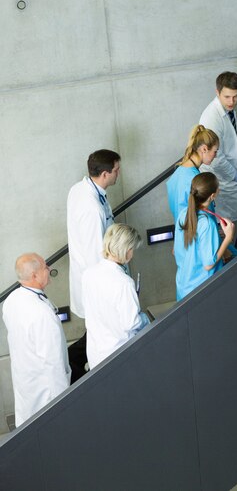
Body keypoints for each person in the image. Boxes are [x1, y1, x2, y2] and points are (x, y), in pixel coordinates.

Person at [67, 149, 121, 379]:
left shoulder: (80, 189)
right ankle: (74, 366)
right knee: (99, 334)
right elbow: (93, 254)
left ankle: (76, 366)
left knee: (97, 333)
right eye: (117, 170)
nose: (119, 174)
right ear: (106, 173)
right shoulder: (91, 209)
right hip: (94, 282)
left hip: (89, 276)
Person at [2, 253, 71, 427]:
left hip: (26, 382)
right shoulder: (41, 313)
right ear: (34, 276)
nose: (49, 269)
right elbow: (52, 361)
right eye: (45, 267)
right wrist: (65, 401)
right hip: (46, 390)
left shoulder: (11, 301)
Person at [199, 71, 237, 252]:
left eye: (235, 97)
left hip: (227, 175)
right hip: (219, 178)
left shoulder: (228, 111)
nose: (231, 101)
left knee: (230, 223)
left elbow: (227, 150)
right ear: (217, 92)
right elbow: (216, 160)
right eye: (227, 96)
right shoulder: (212, 118)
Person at [82, 223, 150, 370]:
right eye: (132, 249)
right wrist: (145, 318)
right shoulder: (124, 283)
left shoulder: (89, 273)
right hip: (119, 353)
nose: (132, 254)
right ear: (126, 249)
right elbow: (131, 324)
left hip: (96, 352)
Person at [174, 173, 234, 301]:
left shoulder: (184, 213)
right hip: (202, 290)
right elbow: (208, 264)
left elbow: (177, 250)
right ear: (212, 196)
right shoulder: (207, 223)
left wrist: (215, 236)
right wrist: (228, 237)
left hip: (184, 286)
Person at [166, 124, 219, 222]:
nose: (215, 156)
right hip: (199, 234)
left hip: (182, 234)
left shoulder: (176, 175)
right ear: (204, 149)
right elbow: (207, 219)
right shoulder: (197, 180)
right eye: (215, 151)